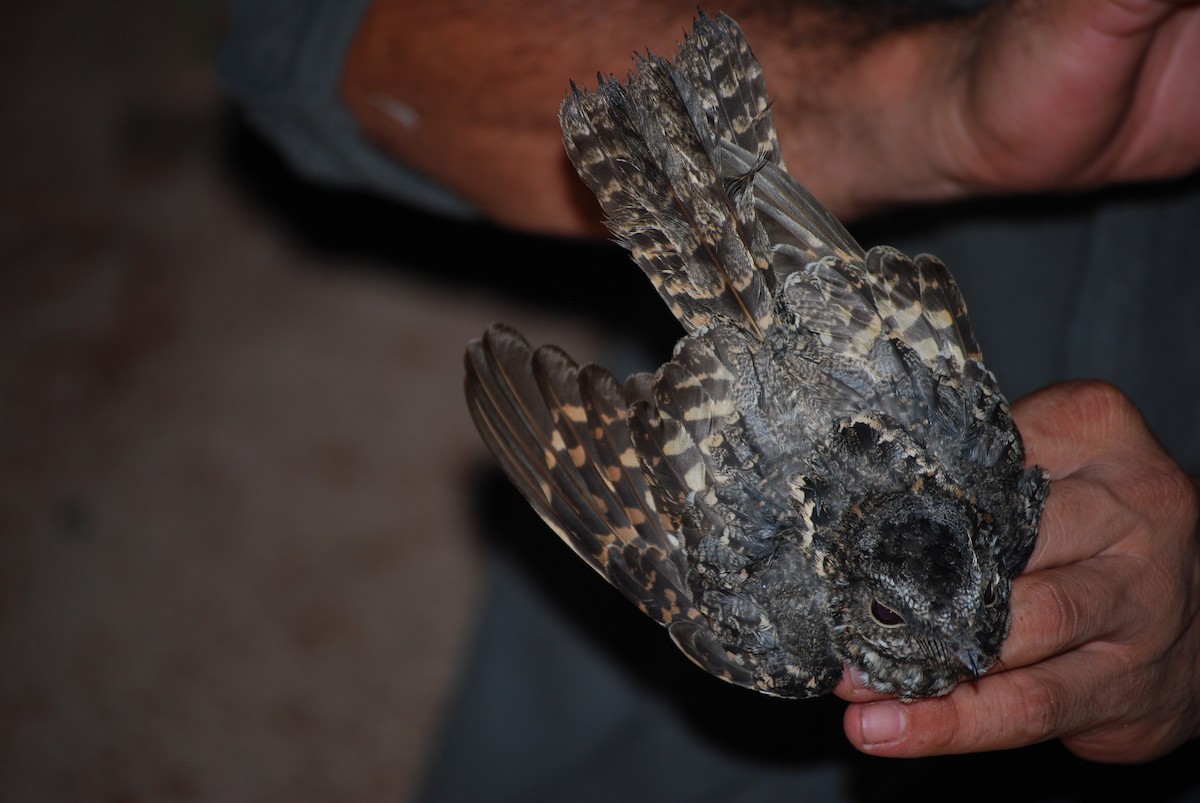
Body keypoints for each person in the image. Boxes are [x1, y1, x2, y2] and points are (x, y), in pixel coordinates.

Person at [222, 0, 1200, 796]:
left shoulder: (979, 524)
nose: (962, 648)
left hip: (792, 345)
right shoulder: (830, 605)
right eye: (908, 623)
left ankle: (728, 174)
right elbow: (296, 41)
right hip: (794, 339)